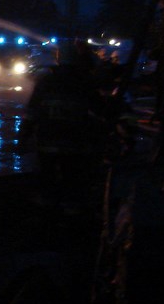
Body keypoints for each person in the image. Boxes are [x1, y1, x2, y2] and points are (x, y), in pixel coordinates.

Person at [19, 38, 102, 211]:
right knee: (73, 183)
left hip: (48, 142)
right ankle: (71, 219)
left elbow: (32, 111)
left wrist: (23, 137)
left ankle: (47, 217)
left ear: (58, 60)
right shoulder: (84, 83)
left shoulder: (46, 82)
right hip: (75, 144)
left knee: (47, 183)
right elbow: (99, 110)